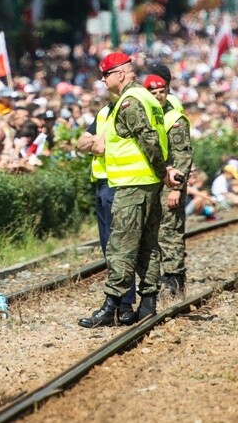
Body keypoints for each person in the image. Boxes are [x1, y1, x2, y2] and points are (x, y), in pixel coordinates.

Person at [79, 53, 182, 328]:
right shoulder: (145, 99)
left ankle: (110, 306)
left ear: (121, 73)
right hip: (146, 183)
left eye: (106, 74)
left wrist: (162, 171)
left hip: (132, 185)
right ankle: (148, 304)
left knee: (120, 248)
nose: (103, 79)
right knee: (148, 247)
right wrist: (164, 172)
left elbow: (148, 140)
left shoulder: (130, 102)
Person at [77, 99, 138, 324]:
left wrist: (95, 142)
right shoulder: (104, 112)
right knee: (108, 247)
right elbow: (81, 144)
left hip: (119, 184)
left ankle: (124, 303)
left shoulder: (125, 112)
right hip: (103, 185)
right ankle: (121, 303)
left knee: (119, 247)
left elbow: (98, 147)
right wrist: (94, 141)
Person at [145, 73, 193, 299]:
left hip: (170, 183)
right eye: (153, 93)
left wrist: (177, 188)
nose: (158, 96)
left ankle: (174, 277)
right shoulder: (147, 116)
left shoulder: (174, 118)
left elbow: (183, 156)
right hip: (151, 182)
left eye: (161, 92)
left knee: (170, 231)